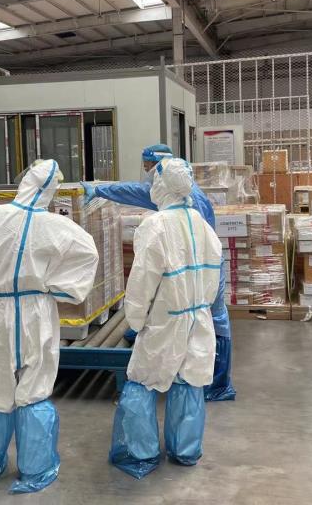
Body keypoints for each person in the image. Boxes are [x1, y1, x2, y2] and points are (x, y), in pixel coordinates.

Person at [0, 159, 99, 494]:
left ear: (25, 181)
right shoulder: (58, 227)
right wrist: (59, 289)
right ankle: (35, 470)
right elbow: (88, 252)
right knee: (35, 385)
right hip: (35, 311)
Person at [82, 144, 236, 402]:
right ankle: (193, 376)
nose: (147, 174)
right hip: (198, 266)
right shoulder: (178, 193)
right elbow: (137, 191)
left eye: (148, 168)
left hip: (197, 267)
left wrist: (138, 319)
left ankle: (218, 384)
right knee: (196, 316)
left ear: (161, 168)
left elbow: (144, 280)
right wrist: (100, 190)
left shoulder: (177, 206)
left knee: (210, 319)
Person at [109, 157, 220, 478]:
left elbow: (142, 280)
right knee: (189, 380)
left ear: (162, 185)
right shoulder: (200, 222)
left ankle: (140, 452)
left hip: (164, 320)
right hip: (198, 318)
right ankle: (185, 449)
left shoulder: (155, 225)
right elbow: (213, 274)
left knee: (143, 380)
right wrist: (200, 306)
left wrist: (136, 319)